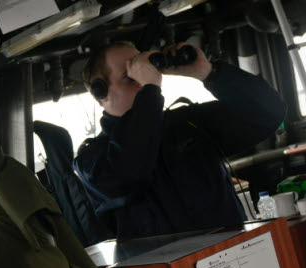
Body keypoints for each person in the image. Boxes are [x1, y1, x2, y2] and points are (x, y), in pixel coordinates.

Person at [74, 41, 286, 239]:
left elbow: (268, 114)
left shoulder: (186, 124)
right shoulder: (91, 159)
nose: (142, 80)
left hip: (232, 254)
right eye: (130, 76)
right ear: (100, 92)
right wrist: (150, 91)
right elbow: (131, 172)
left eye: (144, 70)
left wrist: (210, 73)